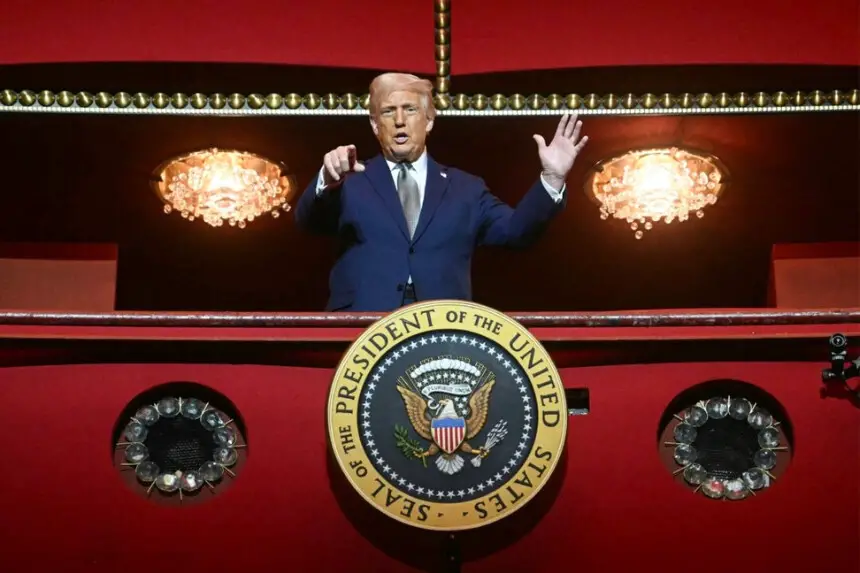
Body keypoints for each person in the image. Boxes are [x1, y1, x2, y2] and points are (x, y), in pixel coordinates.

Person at [294, 72, 588, 312]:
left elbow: (516, 231)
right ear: (374, 124)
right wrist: (326, 179)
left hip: (442, 330)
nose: (399, 120)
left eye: (410, 109)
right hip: (364, 328)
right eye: (387, 112)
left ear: (429, 120)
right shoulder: (350, 179)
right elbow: (307, 222)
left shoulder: (466, 188)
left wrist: (552, 177)